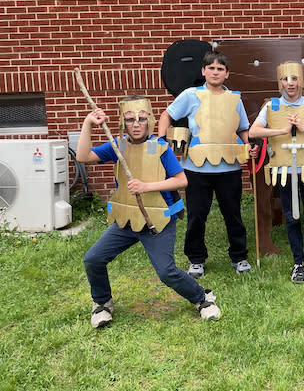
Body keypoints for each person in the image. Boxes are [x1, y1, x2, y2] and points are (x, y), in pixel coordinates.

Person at [77, 96, 221, 328]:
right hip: (125, 220)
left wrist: (146, 187)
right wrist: (88, 124)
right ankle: (102, 303)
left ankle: (202, 298)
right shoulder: (117, 146)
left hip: (157, 220)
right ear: (123, 122)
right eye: (130, 119)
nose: (136, 124)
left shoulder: (160, 148)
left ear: (150, 121)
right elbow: (83, 157)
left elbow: (182, 180)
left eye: (141, 119)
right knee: (93, 259)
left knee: (166, 272)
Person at [158, 50, 256, 279]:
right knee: (197, 215)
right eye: (211, 68)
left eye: (220, 69)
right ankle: (196, 259)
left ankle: (239, 256)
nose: (215, 72)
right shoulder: (190, 95)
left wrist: (248, 144)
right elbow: (167, 116)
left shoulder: (234, 98)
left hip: (229, 167)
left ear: (227, 73)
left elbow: (242, 127)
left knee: (233, 214)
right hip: (196, 168)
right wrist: (162, 141)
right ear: (203, 71)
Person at [249, 61, 304, 283]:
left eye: (294, 79)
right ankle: (299, 261)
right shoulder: (272, 107)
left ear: (301, 81)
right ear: (280, 82)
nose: (290, 83)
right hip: (285, 170)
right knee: (291, 217)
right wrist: (283, 130)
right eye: (285, 79)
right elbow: (254, 130)